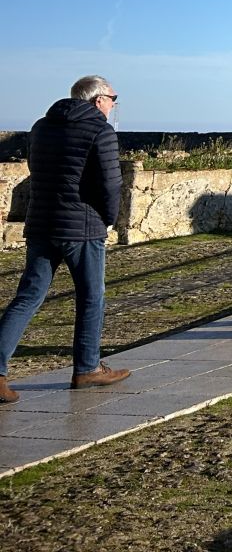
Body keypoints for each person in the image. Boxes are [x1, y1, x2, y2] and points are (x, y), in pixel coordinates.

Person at [0, 76, 132, 401]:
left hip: (42, 222)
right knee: (91, 296)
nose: (114, 103)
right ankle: (87, 369)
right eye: (113, 97)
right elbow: (111, 183)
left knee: (29, 296)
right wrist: (109, 219)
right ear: (98, 100)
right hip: (82, 226)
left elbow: (36, 171)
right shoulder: (101, 131)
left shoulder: (41, 127)